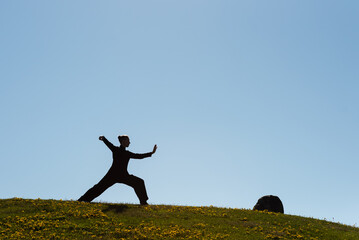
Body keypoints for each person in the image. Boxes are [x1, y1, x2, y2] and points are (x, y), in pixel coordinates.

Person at [78, 134, 157, 205]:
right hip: (112, 175)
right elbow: (109, 144)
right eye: (128, 141)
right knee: (98, 188)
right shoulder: (116, 150)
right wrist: (103, 138)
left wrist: (151, 153)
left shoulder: (127, 153)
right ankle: (82, 200)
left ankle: (143, 202)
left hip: (123, 175)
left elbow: (139, 156)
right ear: (123, 141)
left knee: (139, 182)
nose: (129, 142)